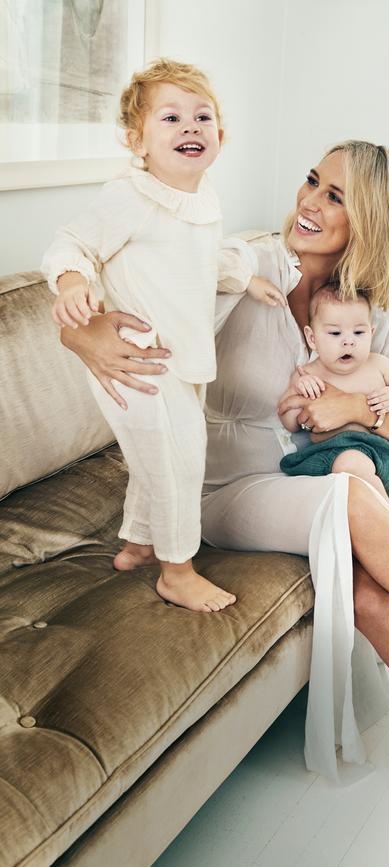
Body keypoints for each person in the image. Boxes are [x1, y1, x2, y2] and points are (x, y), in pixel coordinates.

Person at [60, 140, 389, 864]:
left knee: (372, 598)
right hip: (222, 489)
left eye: (335, 195)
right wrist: (81, 332)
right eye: (313, 181)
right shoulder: (245, 270)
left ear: (371, 222)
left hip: (308, 484)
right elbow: (127, 292)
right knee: (350, 494)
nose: (309, 200)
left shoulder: (378, 318)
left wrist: (350, 407)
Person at [41, 58, 284, 613]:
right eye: (171, 118)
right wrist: (74, 279)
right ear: (137, 140)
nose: (191, 127)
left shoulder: (203, 200)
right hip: (136, 361)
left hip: (185, 360)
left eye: (203, 117)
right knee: (179, 461)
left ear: (221, 136)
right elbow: (70, 242)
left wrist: (247, 278)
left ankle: (138, 542)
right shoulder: (130, 196)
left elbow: (202, 257)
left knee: (162, 455)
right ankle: (178, 569)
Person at [278, 284, 389, 566]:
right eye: (334, 333)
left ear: (372, 333)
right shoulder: (309, 374)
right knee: (353, 464)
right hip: (334, 452)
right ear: (312, 337)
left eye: (358, 332)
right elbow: (289, 420)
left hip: (383, 451)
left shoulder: (379, 365)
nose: (348, 342)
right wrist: (299, 396)